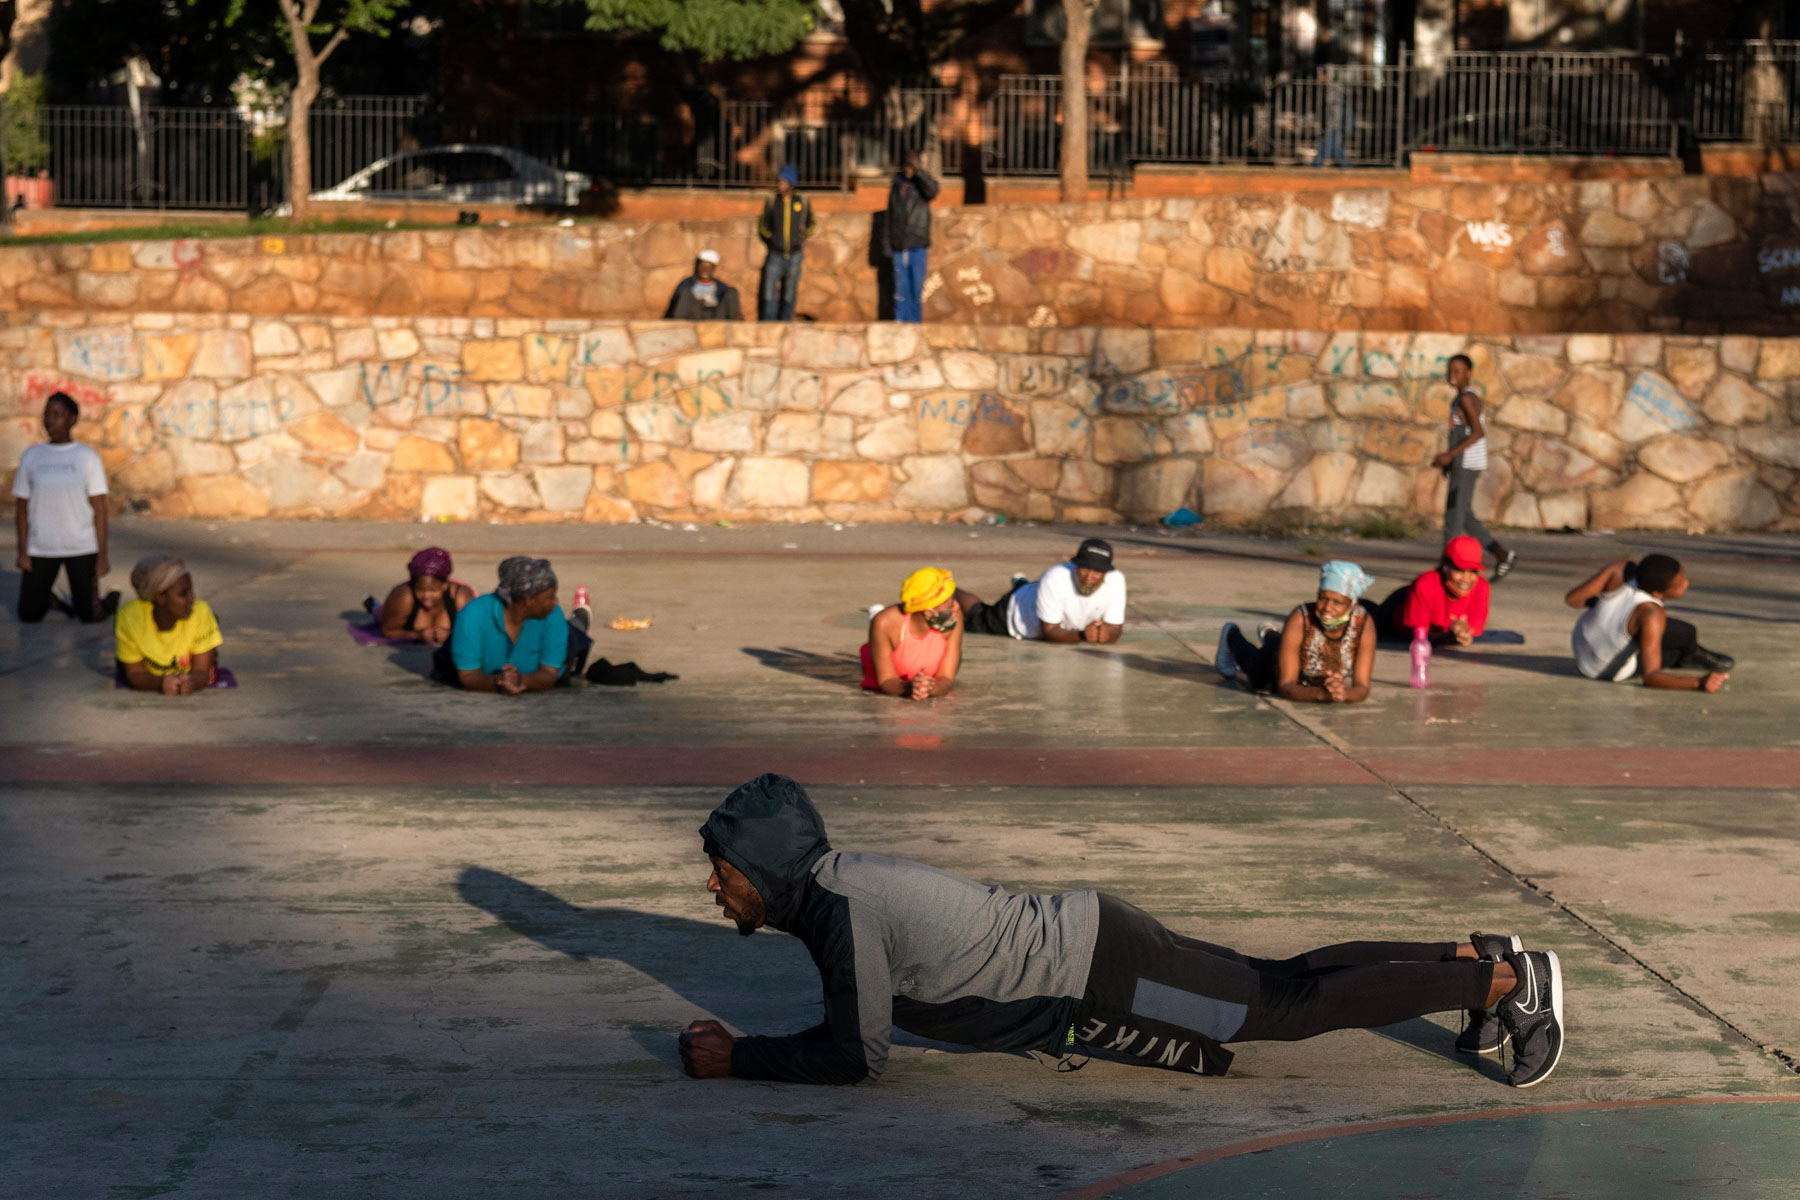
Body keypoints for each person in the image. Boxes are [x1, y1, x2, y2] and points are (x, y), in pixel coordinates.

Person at [677, 774, 1565, 1089]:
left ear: (762, 869)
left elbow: (854, 1057)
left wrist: (741, 1058)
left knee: (1283, 1009)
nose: (713, 887)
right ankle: (1470, 958)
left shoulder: (843, 909)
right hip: (1094, 939)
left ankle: (1504, 986)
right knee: (1280, 975)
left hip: (1097, 969)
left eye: (722, 870)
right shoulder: (835, 886)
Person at [12, 391, 118, 624]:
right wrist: (23, 551)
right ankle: (50, 599)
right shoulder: (32, 456)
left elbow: (99, 510)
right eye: (47, 415)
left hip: (80, 547)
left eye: (57, 415)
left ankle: (111, 600)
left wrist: (102, 556)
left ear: (72, 419)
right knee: (29, 615)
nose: (50, 420)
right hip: (41, 548)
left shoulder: (87, 457)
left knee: (90, 616)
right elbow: (21, 508)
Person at [1215, 560, 1376, 702]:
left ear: (1352, 604)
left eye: (1337, 602)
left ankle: (1272, 635)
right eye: (1322, 598)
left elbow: (1362, 687)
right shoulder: (1300, 618)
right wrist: (1322, 694)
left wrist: (1344, 694)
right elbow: (1286, 687)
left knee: (1281, 642)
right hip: (1272, 670)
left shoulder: (1363, 624)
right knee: (1259, 677)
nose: (1327, 607)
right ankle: (1232, 635)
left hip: (1304, 666)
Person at [1565, 554, 1731, 693]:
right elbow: (1651, 677)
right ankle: (1689, 656)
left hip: (1581, 652)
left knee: (1683, 631)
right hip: (1604, 672)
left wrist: (1605, 605)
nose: (1686, 583)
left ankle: (1691, 651)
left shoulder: (1619, 570)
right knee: (1682, 640)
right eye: (1681, 584)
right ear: (1658, 593)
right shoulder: (1652, 613)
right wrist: (1699, 683)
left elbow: (1572, 599)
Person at [433, 556, 593, 693]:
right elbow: (468, 676)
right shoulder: (472, 615)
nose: (555, 601)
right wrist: (499, 682)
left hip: (565, 634)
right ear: (528, 600)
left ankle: (580, 615)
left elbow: (549, 674)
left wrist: (521, 681)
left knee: (576, 632)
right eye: (550, 597)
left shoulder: (553, 614)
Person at [1430, 355, 1516, 579]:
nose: (1452, 375)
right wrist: (1449, 460)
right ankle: (1502, 555)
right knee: (1464, 515)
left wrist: (1450, 456)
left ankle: (1445, 571)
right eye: (1450, 370)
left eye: (1458, 371)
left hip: (1466, 464)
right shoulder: (1462, 398)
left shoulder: (1468, 398)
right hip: (1461, 463)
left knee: (1453, 519)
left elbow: (1478, 433)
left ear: (1469, 372)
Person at [955, 538, 1124, 645]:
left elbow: (1115, 629)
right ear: (1076, 566)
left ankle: (1021, 583)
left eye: (1097, 572)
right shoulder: (1055, 578)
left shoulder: (1116, 581)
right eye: (1085, 569)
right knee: (978, 614)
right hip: (1016, 613)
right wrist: (1083, 636)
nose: (1089, 577)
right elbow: (1050, 632)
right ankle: (951, 590)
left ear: (1106, 573)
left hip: (1039, 594)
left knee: (1040, 590)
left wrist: (1106, 634)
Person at [115, 554, 222, 696]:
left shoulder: (200, 612)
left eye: (191, 591)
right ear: (160, 597)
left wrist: (193, 682)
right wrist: (160, 683)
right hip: (157, 668)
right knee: (122, 666)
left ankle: (211, 632)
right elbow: (135, 674)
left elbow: (202, 672)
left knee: (211, 658)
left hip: (187, 656)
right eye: (183, 594)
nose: (192, 598)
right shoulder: (129, 618)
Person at [1363, 535, 1490, 647]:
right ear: (1445, 568)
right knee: (1365, 616)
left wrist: (1462, 632)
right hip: (1394, 612)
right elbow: (1418, 636)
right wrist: (1448, 637)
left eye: (1473, 571)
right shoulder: (1426, 584)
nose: (1466, 579)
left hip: (1428, 620)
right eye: (1459, 570)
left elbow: (1473, 629)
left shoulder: (1481, 587)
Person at [862, 567, 962, 700]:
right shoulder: (884, 623)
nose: (956, 607)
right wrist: (909, 687)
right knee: (878, 628)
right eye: (948, 604)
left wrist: (930, 689)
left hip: (924, 677)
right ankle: (874, 620)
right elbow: (886, 681)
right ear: (928, 611)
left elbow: (947, 678)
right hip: (883, 664)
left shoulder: (953, 618)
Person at [883, 150, 937, 323]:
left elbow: (933, 191)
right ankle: (901, 321)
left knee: (916, 287)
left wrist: (919, 172)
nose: (908, 170)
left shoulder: (922, 184)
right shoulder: (897, 185)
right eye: (906, 166)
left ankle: (915, 323)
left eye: (912, 166)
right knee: (901, 288)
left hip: (917, 243)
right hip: (899, 245)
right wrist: (887, 244)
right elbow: (889, 216)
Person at [378, 547, 474, 645]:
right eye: (420, 589)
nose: (426, 596)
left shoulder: (461, 597)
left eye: (433, 590)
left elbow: (474, 632)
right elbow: (388, 631)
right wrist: (417, 635)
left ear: (445, 585)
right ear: (413, 585)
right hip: (389, 611)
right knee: (379, 614)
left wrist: (450, 635)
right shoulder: (403, 596)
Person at [758, 164, 815, 322]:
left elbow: (812, 222)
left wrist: (803, 236)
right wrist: (771, 239)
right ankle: (769, 321)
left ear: (791, 183)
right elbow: (763, 225)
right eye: (779, 181)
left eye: (783, 181)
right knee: (770, 289)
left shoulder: (801, 201)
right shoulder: (772, 201)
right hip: (775, 253)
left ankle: (785, 321)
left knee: (790, 290)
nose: (780, 184)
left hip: (795, 253)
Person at [664, 250, 743, 321]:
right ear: (698, 267)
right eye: (703, 266)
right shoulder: (687, 283)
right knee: (686, 293)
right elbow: (676, 302)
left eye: (709, 267)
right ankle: (678, 324)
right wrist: (696, 301)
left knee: (732, 291)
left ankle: (735, 324)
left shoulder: (720, 286)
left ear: (713, 269)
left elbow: (726, 303)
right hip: (695, 315)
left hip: (715, 317)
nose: (705, 270)